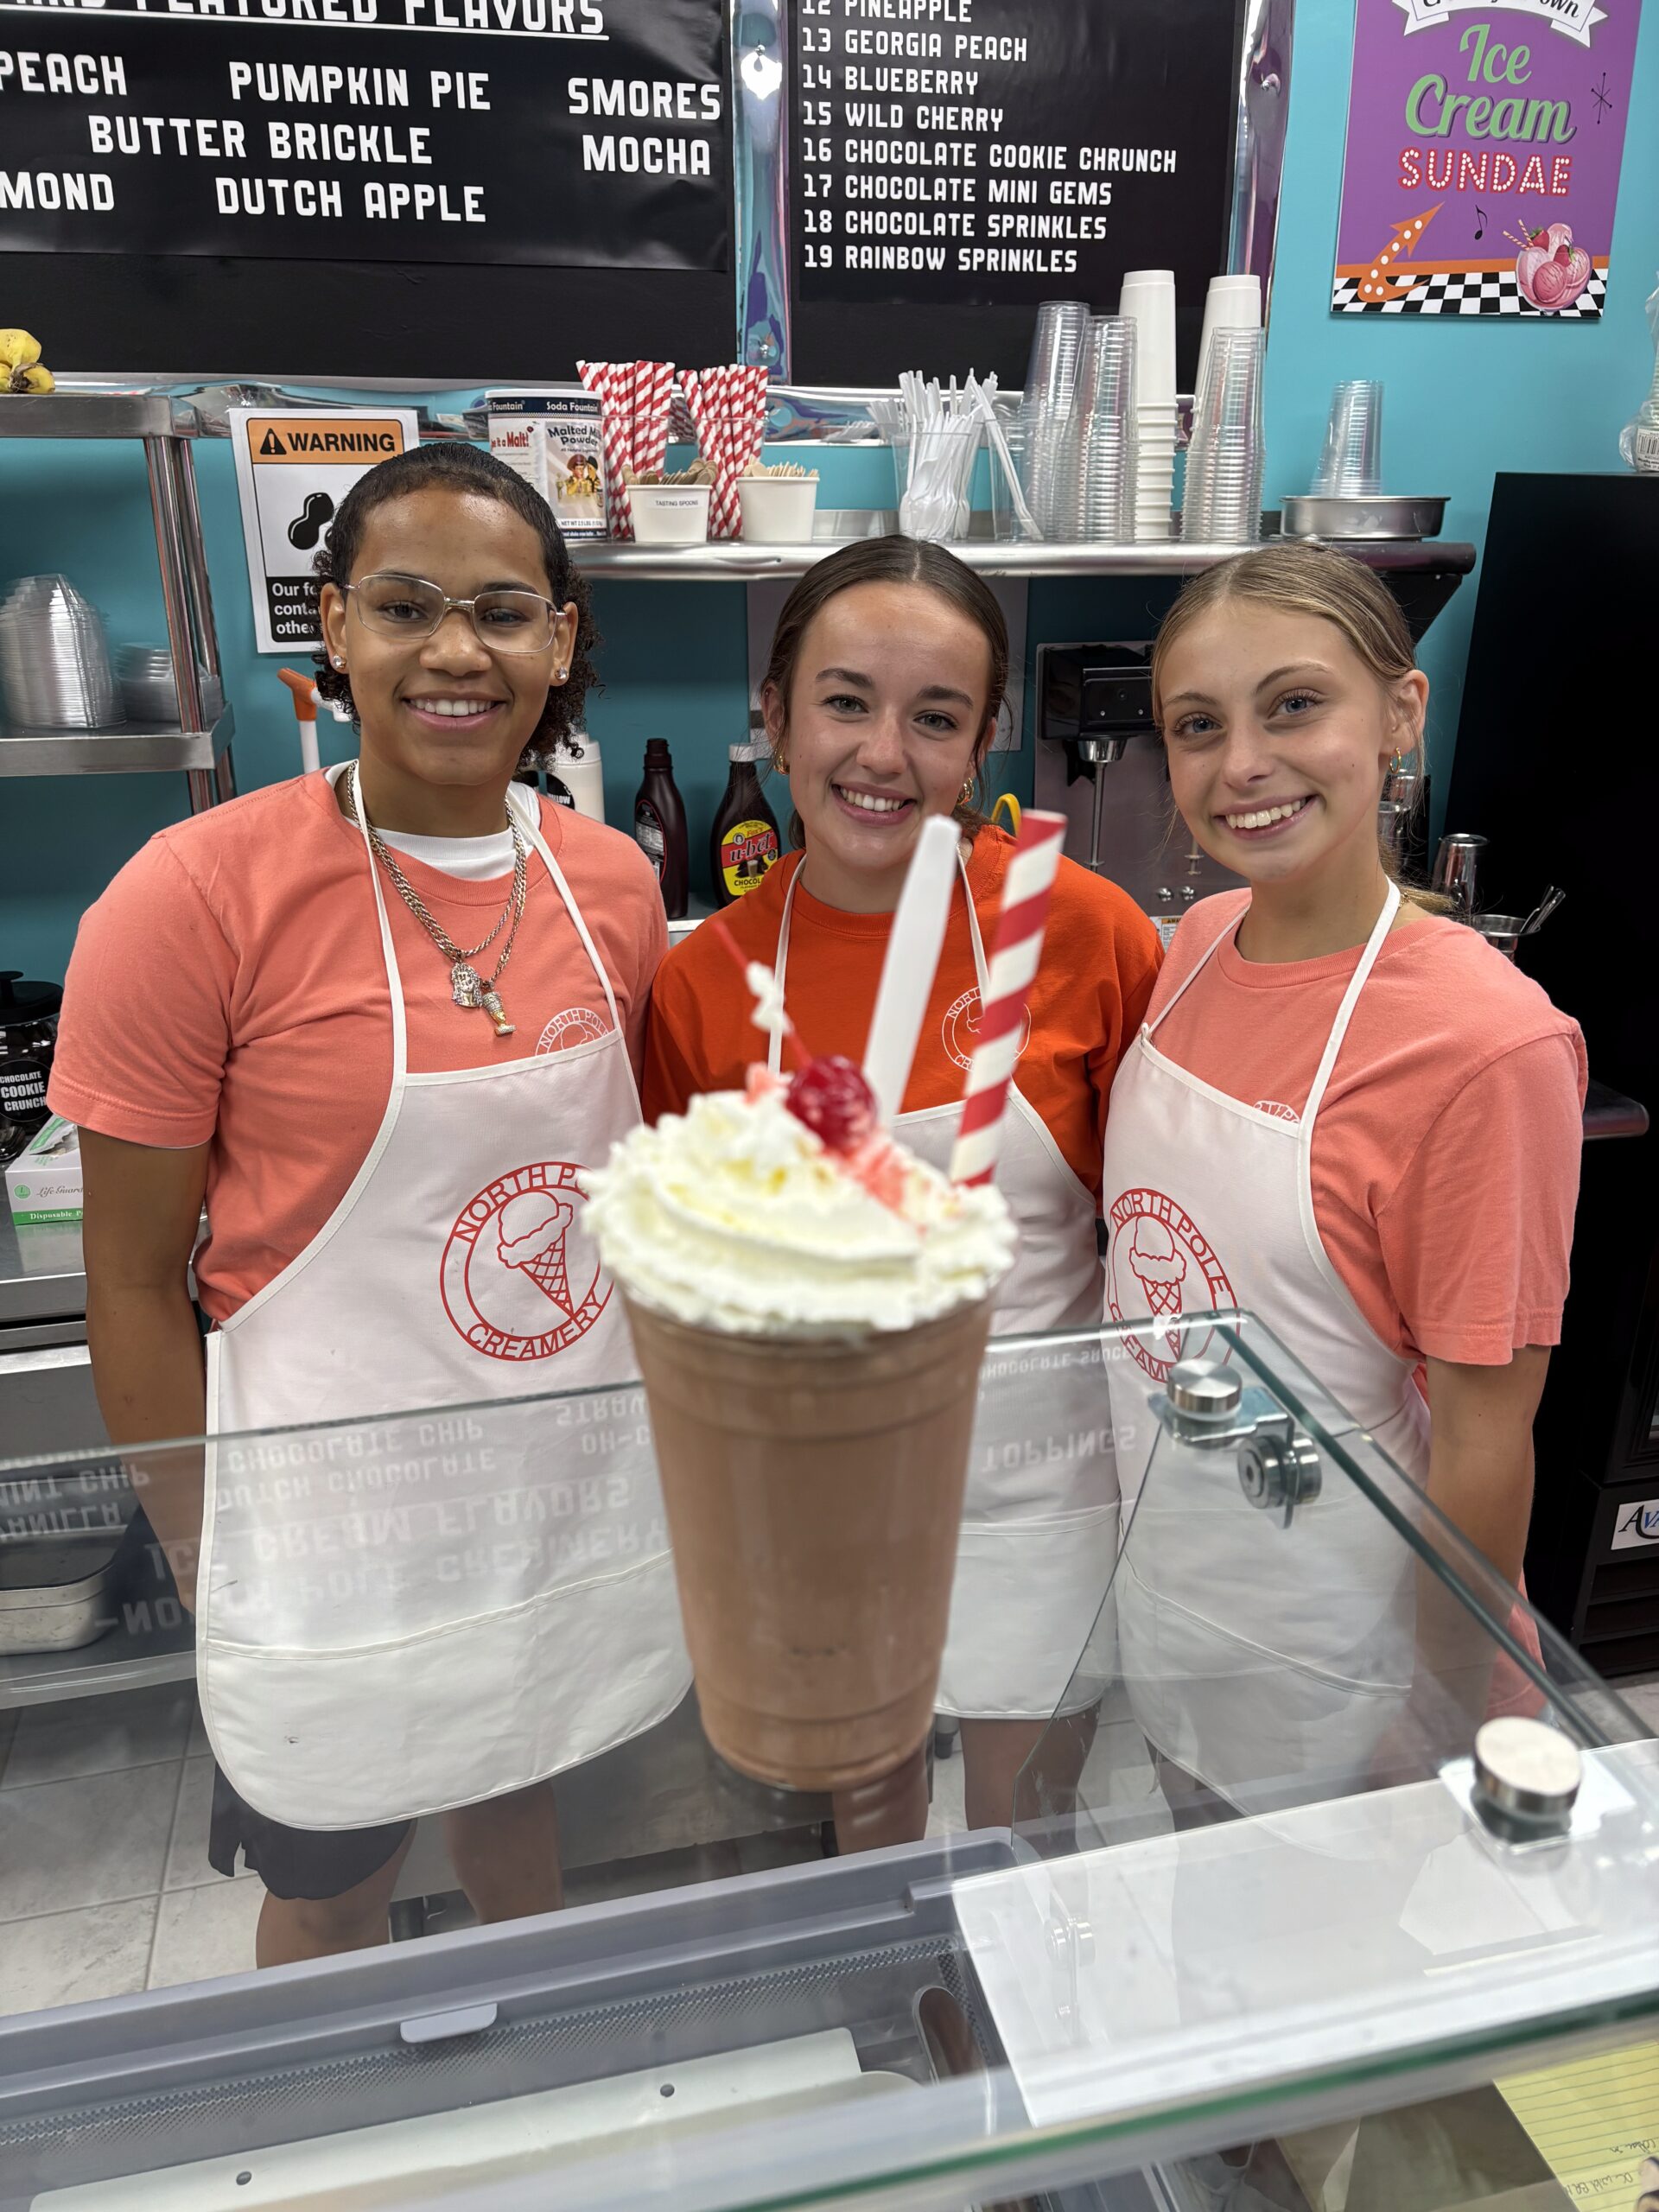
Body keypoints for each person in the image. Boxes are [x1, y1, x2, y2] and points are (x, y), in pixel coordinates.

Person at [49, 443, 688, 1964]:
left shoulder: (613, 881)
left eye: (502, 612)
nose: (456, 651)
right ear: (330, 628)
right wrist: (210, 1555)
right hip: (326, 1526)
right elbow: (134, 1284)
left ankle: (529, 2065)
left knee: (519, 1790)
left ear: (562, 641)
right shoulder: (191, 896)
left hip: (554, 1485)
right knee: (331, 1879)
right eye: (405, 606)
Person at [645, 537, 1163, 1840]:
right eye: (844, 700)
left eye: (935, 717)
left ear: (986, 738)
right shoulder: (709, 981)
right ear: (772, 714)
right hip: (816, 1473)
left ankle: (1013, 2030)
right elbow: (686, 1274)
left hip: (1039, 1467)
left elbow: (1146, 1225)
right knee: (864, 1802)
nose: (883, 753)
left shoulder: (1083, 930)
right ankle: (913, 2011)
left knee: (1024, 1816)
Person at [1098, 543, 1586, 1814]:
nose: (1242, 764)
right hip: (1186, 1594)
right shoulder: (1198, 945)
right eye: (1197, 726)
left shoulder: (1487, 1046)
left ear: (1401, 716)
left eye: (1295, 704)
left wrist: (1434, 1712)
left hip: (1359, 1658)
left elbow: (1488, 1443)